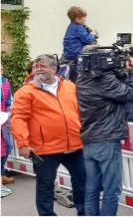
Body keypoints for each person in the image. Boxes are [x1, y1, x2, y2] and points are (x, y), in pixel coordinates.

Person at [10, 55, 86, 215]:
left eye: (42, 66)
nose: (38, 69)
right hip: (45, 149)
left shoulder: (70, 87)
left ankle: (84, 212)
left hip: (75, 145)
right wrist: (22, 143)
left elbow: (80, 112)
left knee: (82, 183)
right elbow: (19, 118)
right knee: (45, 186)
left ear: (54, 68)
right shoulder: (26, 92)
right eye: (36, 66)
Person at [76, 45, 133, 216]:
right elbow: (130, 94)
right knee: (111, 190)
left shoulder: (82, 77)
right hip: (106, 139)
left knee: (91, 188)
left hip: (89, 138)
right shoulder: (104, 80)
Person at [62, 6, 97, 81]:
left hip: (68, 54)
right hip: (76, 53)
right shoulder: (78, 28)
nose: (85, 19)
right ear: (77, 18)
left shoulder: (71, 26)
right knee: (96, 48)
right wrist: (93, 34)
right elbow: (88, 39)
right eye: (83, 17)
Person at [1, 65, 13, 192]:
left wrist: (9, 120)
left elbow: (9, 102)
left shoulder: (5, 82)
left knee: (8, 146)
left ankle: (1, 172)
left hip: (3, 118)